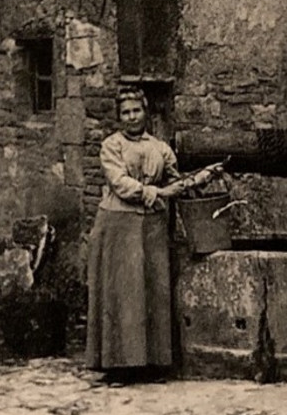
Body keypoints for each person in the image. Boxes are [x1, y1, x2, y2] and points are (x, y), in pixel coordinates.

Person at [86, 88, 220, 380]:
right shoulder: (112, 146)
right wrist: (158, 192)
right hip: (118, 224)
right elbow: (120, 183)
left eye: (136, 110)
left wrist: (202, 176)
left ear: (145, 112)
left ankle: (153, 362)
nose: (132, 117)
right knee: (122, 293)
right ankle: (119, 364)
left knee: (152, 290)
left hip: (153, 227)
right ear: (119, 116)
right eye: (126, 112)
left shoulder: (160, 148)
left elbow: (178, 181)